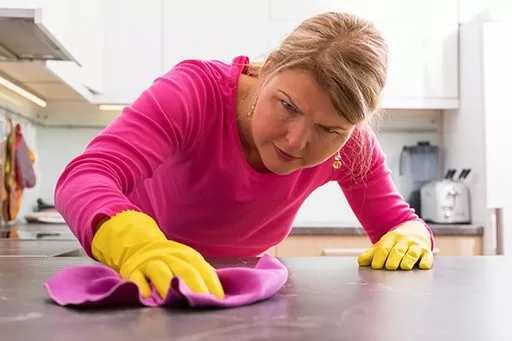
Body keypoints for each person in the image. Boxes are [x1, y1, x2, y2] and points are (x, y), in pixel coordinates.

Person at [54, 12, 435, 301]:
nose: (296, 140)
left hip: (236, 295)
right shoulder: (195, 93)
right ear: (267, 69)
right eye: (287, 105)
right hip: (139, 279)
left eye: (328, 130)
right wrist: (138, 245)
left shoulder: (352, 146)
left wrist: (412, 237)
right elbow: (86, 176)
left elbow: (401, 225)